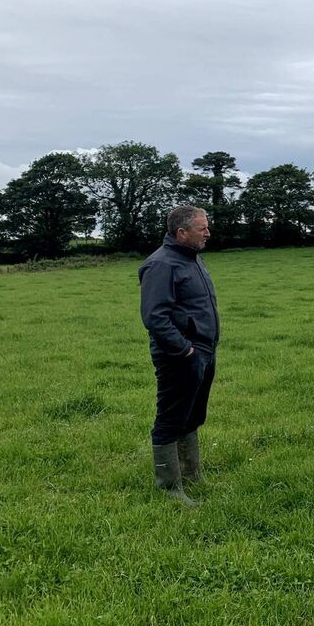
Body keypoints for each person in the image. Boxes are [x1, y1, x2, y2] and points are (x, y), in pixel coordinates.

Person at [139, 205, 220, 506]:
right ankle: (170, 488)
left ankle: (191, 473)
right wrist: (184, 349)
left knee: (193, 414)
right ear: (182, 232)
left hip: (204, 351)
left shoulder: (192, 259)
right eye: (202, 228)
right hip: (180, 356)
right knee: (171, 418)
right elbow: (155, 316)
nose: (208, 232)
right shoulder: (161, 265)